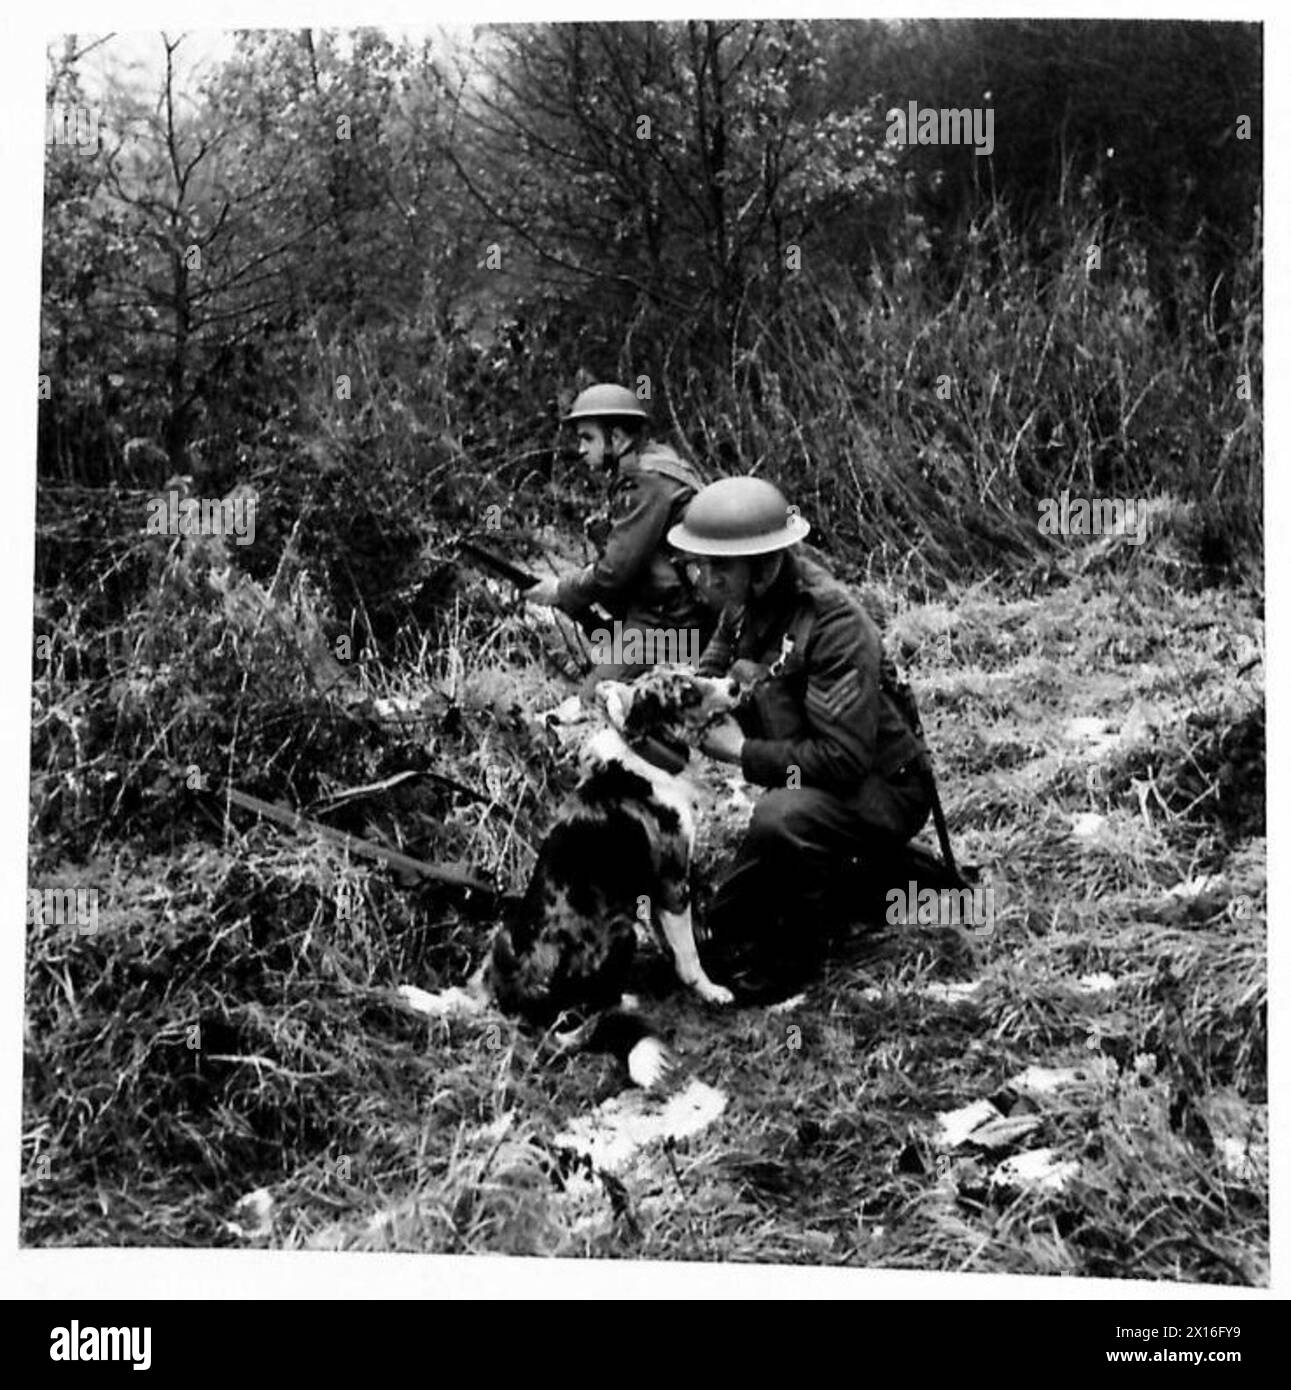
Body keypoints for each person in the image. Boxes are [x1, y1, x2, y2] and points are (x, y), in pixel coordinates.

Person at [666, 475, 934, 990]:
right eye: (701, 564)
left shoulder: (833, 624)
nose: (703, 578)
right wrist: (689, 702)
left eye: (717, 566)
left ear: (763, 563)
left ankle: (792, 968)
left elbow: (844, 759)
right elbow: (716, 674)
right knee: (719, 924)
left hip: (881, 787)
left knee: (781, 817)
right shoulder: (745, 605)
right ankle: (849, 882)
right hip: (817, 776)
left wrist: (743, 753)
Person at [525, 384, 712, 696]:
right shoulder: (656, 462)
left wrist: (559, 590)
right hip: (676, 613)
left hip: (669, 623)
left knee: (592, 702)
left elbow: (614, 572)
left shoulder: (644, 480)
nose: (581, 449)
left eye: (588, 438)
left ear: (618, 438)